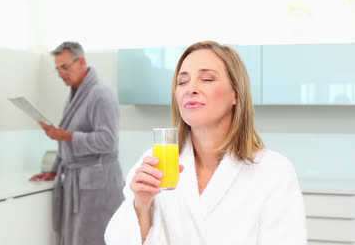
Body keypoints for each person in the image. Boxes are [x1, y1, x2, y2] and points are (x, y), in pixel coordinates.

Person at [104, 41, 307, 244]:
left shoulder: (274, 172)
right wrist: (141, 204)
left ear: (236, 94)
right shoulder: (154, 165)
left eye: (207, 79)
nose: (190, 89)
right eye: (182, 82)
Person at [30, 41, 124, 245]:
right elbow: (68, 142)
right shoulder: (75, 94)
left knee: (95, 240)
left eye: (65, 67)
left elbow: (108, 141)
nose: (61, 73)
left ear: (81, 62)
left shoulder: (100, 94)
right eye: (57, 69)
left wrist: (66, 136)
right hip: (79, 184)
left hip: (98, 187)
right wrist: (54, 170)